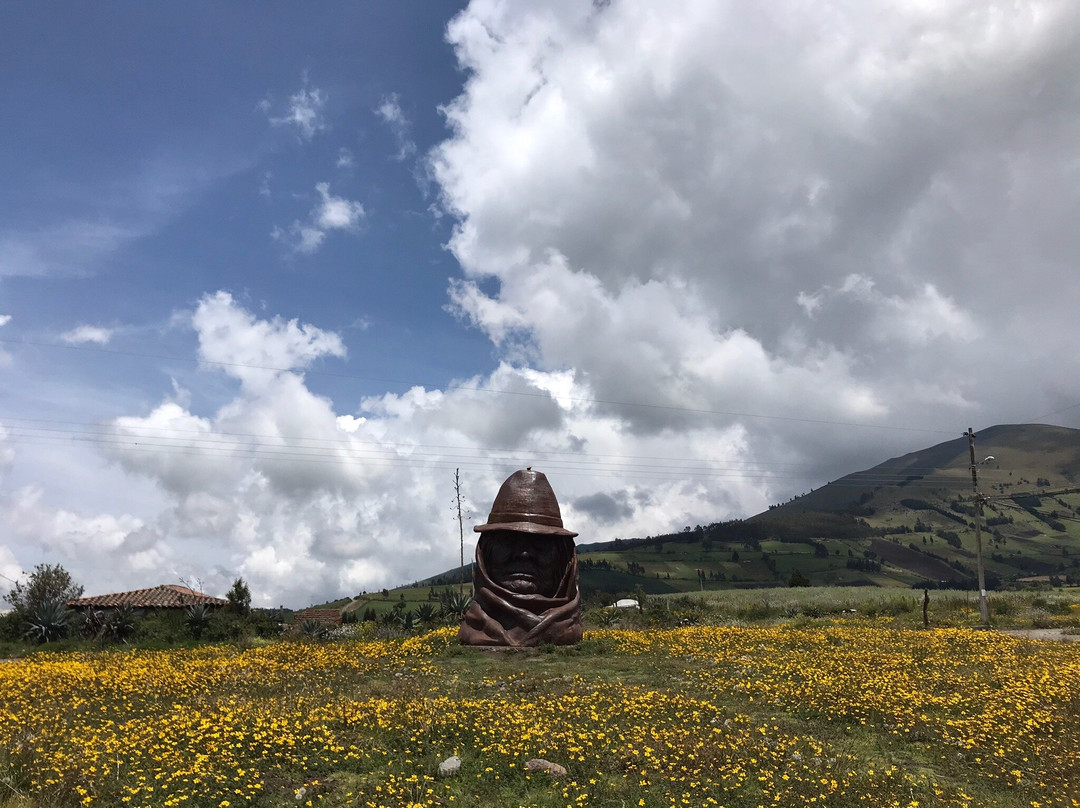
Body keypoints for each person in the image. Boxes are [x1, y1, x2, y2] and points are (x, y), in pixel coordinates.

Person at [459, 468, 582, 646]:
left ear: (563, 558)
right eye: (508, 541)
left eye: (540, 542)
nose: (524, 554)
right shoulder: (475, 626)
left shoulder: (570, 626)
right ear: (485, 552)